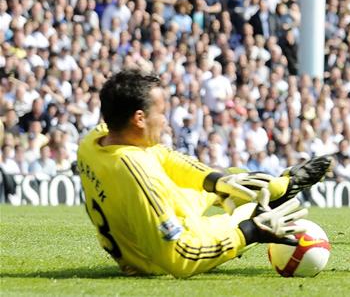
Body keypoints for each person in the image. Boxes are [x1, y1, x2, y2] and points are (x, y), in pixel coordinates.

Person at [76, 68, 332, 278]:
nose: (165, 120)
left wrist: (217, 182)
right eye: (161, 112)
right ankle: (267, 205)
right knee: (252, 214)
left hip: (141, 221)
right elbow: (179, 257)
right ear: (139, 118)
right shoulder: (137, 176)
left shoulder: (95, 140)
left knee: (238, 179)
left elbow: (165, 157)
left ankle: (281, 186)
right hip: (155, 259)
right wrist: (249, 232)